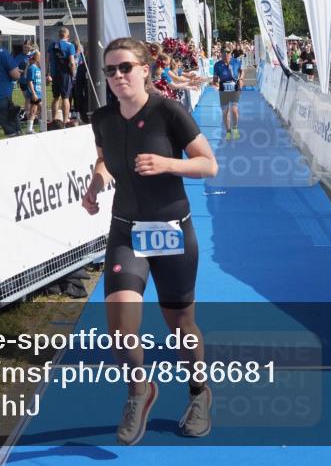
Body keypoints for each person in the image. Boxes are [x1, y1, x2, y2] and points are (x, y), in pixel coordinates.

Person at [82, 38, 218, 446]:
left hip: (172, 230)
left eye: (125, 67)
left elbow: (208, 164)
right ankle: (140, 390)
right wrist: (98, 178)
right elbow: (104, 156)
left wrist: (167, 164)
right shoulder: (102, 117)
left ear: (145, 69)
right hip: (126, 230)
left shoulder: (168, 110)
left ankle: (199, 392)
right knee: (121, 332)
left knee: (181, 325)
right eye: (110, 70)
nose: (118, 76)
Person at [48, 27, 77, 127]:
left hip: (54, 74)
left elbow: (47, 61)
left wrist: (48, 74)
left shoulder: (51, 45)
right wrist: (73, 74)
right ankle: (65, 121)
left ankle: (54, 120)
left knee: (55, 97)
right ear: (68, 36)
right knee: (65, 97)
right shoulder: (70, 46)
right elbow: (72, 62)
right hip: (65, 74)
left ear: (58, 35)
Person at [213, 48, 243, 139]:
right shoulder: (217, 65)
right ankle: (228, 131)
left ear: (231, 53)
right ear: (221, 53)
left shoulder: (236, 61)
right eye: (224, 52)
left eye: (228, 52)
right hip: (223, 88)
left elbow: (242, 71)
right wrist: (216, 84)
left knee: (234, 110)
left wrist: (241, 78)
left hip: (235, 86)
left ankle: (235, 127)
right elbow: (215, 79)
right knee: (225, 112)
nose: (226, 54)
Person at [24, 47, 43, 135]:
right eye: (39, 56)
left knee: (39, 108)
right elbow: (29, 81)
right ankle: (29, 129)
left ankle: (41, 126)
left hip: (39, 92)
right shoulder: (32, 68)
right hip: (35, 93)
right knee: (33, 109)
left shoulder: (38, 68)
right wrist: (33, 93)